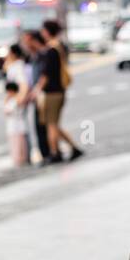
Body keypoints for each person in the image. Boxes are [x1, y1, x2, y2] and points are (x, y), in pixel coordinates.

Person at [30, 21, 83, 164]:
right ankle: (73, 148)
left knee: (51, 124)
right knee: (54, 124)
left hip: (52, 92)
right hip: (59, 90)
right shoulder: (59, 46)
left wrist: (36, 90)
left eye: (43, 30)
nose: (42, 33)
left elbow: (45, 75)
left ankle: (55, 153)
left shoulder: (51, 50)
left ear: (47, 31)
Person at [20, 32, 49, 163]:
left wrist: (36, 91)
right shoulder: (32, 56)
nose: (25, 44)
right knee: (40, 125)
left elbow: (44, 75)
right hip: (37, 95)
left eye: (27, 41)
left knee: (44, 125)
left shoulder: (43, 54)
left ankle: (48, 153)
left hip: (43, 95)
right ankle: (46, 153)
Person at [3, 79, 29, 167]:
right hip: (17, 125)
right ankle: (20, 160)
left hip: (15, 126)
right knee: (19, 145)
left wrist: (6, 101)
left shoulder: (15, 100)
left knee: (17, 146)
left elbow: (7, 111)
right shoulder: (16, 99)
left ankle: (19, 161)